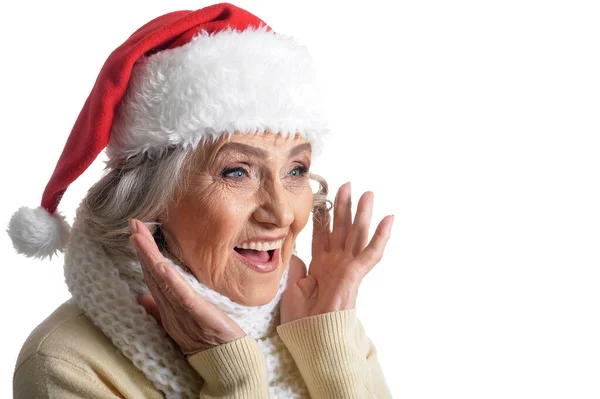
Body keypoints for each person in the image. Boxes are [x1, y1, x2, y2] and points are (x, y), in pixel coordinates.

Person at [8, 3, 394, 398]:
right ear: (149, 200)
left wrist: (328, 352)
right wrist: (234, 378)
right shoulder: (64, 364)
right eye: (236, 172)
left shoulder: (323, 319)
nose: (281, 213)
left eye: (295, 170)